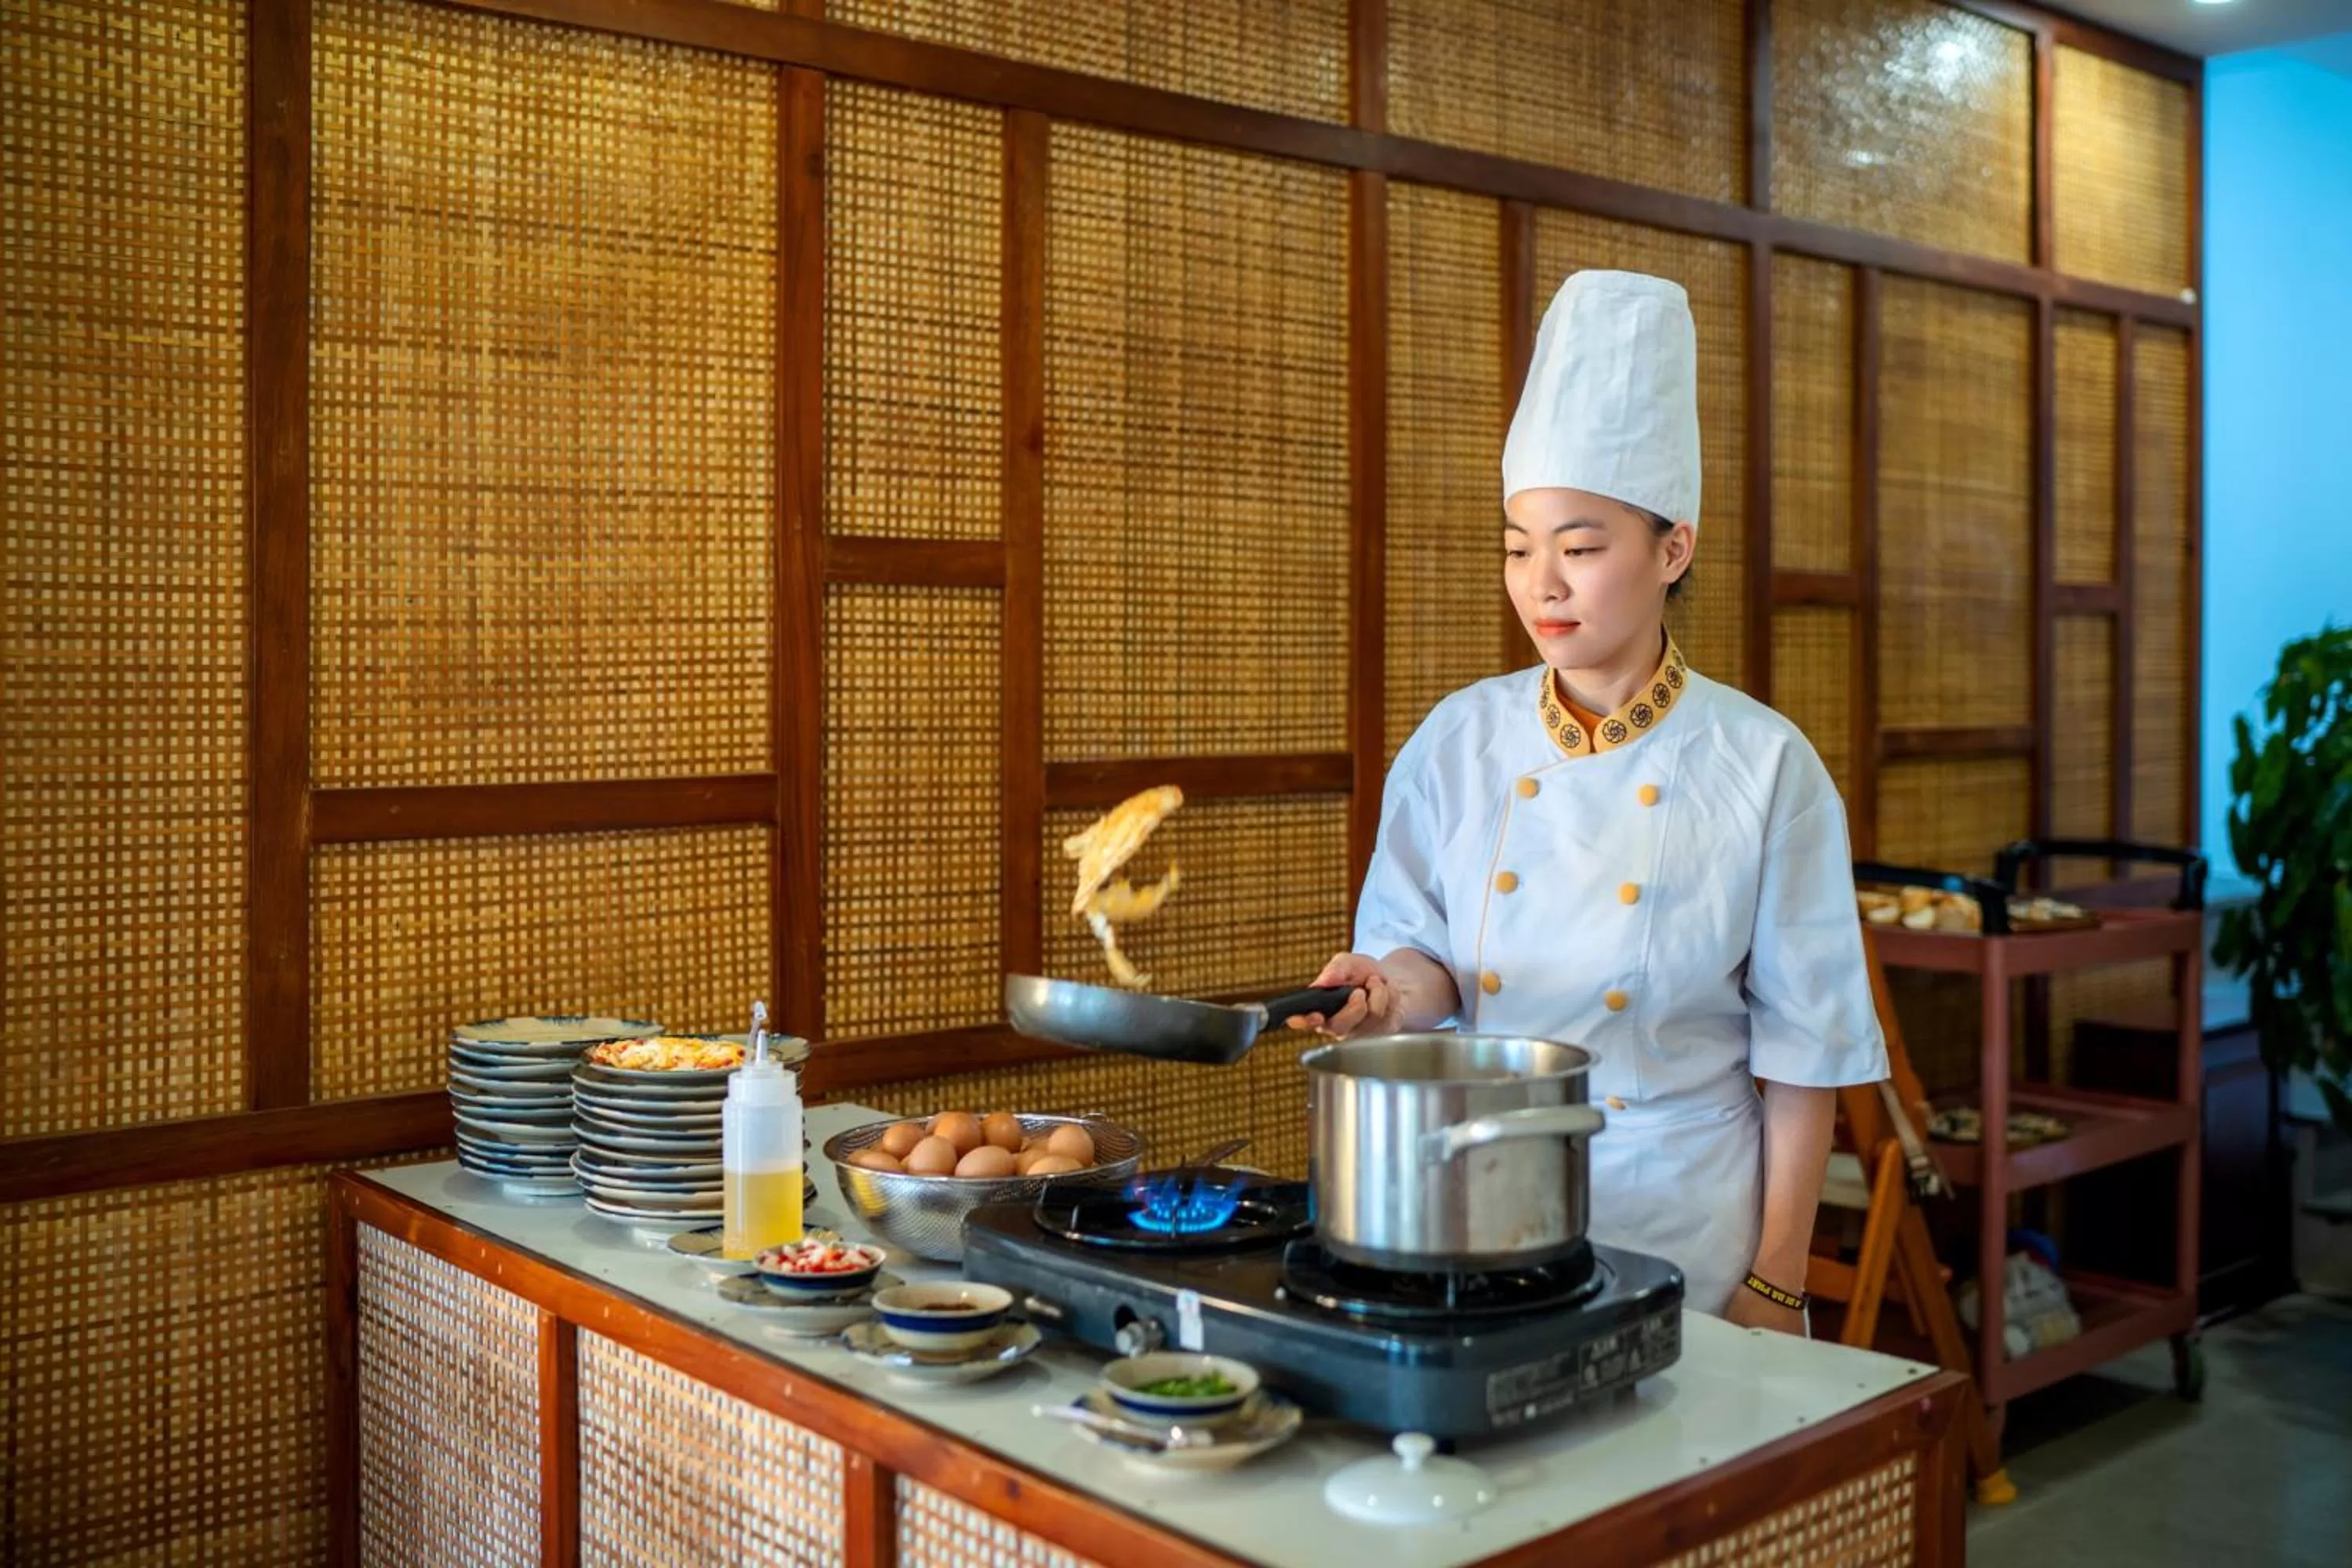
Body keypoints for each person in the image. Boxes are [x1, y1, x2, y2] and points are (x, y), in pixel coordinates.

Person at [1294, 269, 1888, 1333]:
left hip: (1682, 1228)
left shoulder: (1764, 764)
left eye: (1580, 548)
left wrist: (1775, 1281)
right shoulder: (1460, 740)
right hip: (1471, 1199)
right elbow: (1431, 968)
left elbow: (1807, 1058)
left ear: (1673, 550)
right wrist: (1385, 992)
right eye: (1519, 551)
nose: (1543, 586)